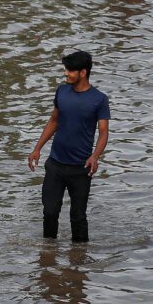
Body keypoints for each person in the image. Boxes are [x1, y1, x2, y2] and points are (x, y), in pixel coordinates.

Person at [28, 51, 111, 243]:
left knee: (78, 217)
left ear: (83, 73)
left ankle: (79, 262)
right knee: (49, 212)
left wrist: (95, 156)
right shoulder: (61, 91)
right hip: (55, 165)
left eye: (70, 71)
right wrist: (37, 148)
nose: (66, 74)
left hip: (81, 168)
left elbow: (104, 131)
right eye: (65, 70)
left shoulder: (99, 99)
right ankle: (48, 254)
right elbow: (54, 120)